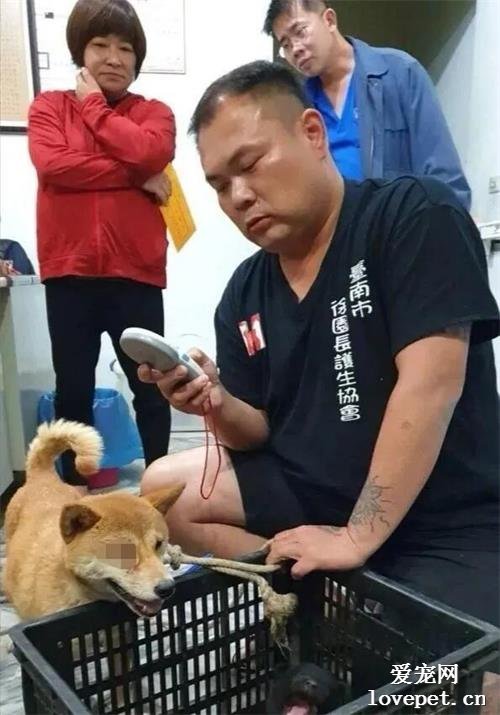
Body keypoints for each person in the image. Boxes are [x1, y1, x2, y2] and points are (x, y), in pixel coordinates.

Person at [139, 61, 499, 628]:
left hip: (442, 517)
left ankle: (353, 614)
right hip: (313, 492)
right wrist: (215, 402)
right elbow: (256, 430)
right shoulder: (245, 291)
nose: (238, 196)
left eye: (250, 164)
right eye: (219, 185)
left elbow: (432, 386)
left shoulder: (414, 215)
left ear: (312, 133)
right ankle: (322, 604)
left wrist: (358, 535)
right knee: (163, 490)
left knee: (450, 676)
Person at [28, 0, 174, 485]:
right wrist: (135, 176)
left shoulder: (153, 112)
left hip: (136, 273)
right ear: (80, 51)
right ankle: (71, 497)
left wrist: (93, 107)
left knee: (150, 387)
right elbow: (55, 167)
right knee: (72, 390)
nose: (113, 57)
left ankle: (158, 493)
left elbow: (151, 151)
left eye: (125, 48)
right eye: (100, 44)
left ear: (137, 58)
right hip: (69, 273)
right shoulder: (48, 107)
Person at [263, 0, 471, 210]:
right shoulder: (300, 107)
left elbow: (445, 179)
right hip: (337, 228)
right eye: (286, 45)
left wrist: (447, 223)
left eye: (300, 31)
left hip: (402, 224)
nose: (295, 49)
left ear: (329, 20)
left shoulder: (400, 73)